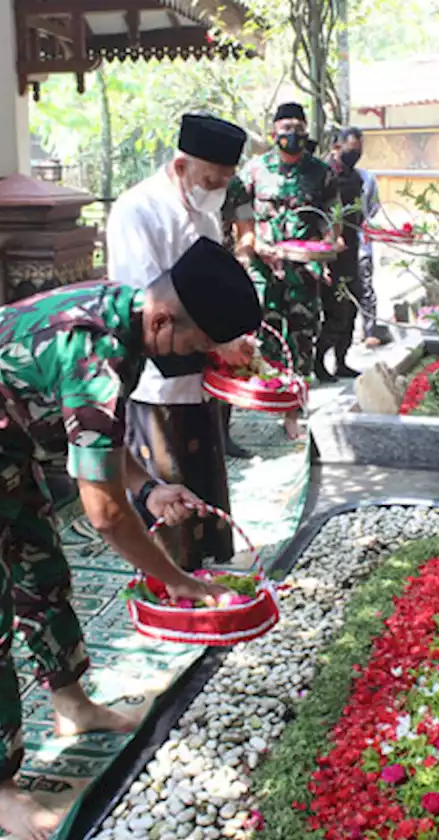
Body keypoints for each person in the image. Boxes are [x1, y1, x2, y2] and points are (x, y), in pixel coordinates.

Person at [0, 237, 261, 840]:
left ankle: (71, 705)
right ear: (166, 320)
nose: (196, 356)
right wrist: (179, 580)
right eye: (196, 343)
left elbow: (95, 438)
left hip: (4, 450)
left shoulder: (130, 321)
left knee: (44, 577)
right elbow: (104, 513)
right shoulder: (98, 350)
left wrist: (149, 490)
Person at [106, 114, 253, 571]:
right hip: (159, 371)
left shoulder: (206, 212)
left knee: (201, 480)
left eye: (226, 181)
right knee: (164, 484)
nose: (218, 189)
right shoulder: (138, 210)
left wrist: (233, 341)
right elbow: (151, 304)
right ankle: (169, 580)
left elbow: (213, 286)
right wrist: (214, 342)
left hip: (199, 369)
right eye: (212, 179)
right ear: (180, 166)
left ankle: (205, 569)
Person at [228, 102, 341, 439]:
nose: (292, 133)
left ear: (306, 131)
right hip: (263, 268)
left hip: (304, 270)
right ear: (273, 132)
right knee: (262, 333)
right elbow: (239, 209)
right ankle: (263, 399)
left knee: (303, 335)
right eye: (285, 127)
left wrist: (331, 243)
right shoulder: (255, 170)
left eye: (298, 127)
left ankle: (293, 408)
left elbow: (333, 217)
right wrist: (249, 242)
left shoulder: (321, 172)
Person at [317, 128, 368, 381]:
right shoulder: (325, 176)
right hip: (330, 254)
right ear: (336, 147)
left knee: (353, 304)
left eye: (359, 149)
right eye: (351, 148)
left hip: (351, 253)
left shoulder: (356, 178)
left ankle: (341, 360)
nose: (356, 153)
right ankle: (318, 362)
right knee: (335, 311)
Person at [357, 156, 387, 347]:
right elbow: (374, 208)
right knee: (365, 289)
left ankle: (368, 332)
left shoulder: (367, 178)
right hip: (357, 243)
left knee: (365, 289)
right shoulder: (368, 177)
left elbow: (374, 208)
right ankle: (367, 331)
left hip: (360, 244)